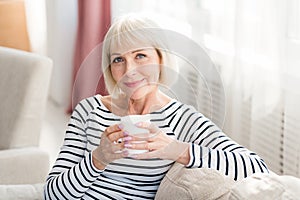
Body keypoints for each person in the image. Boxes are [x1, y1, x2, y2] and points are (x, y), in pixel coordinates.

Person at [44, 14, 269, 199]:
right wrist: (98, 158)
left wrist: (177, 150)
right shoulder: (89, 110)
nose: (129, 70)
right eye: (118, 60)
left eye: (140, 56)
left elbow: (257, 169)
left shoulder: (183, 119)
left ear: (161, 59)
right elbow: (52, 194)